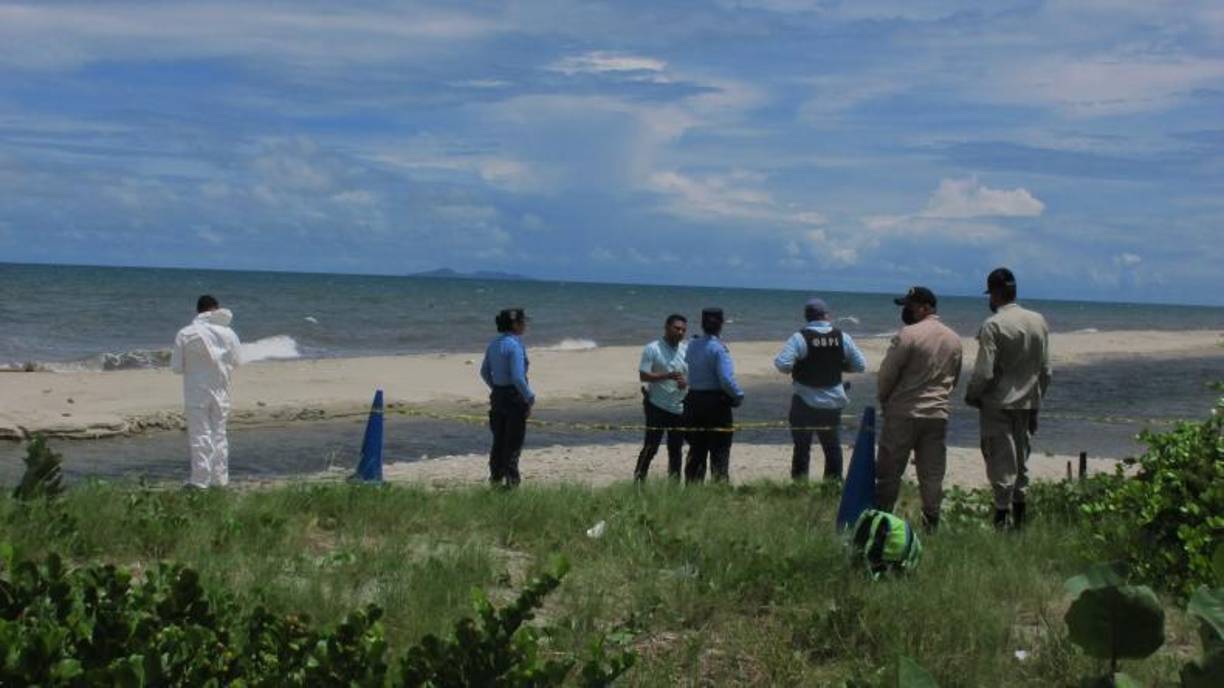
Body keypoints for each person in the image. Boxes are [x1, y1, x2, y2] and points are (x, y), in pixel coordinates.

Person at [965, 268, 1051, 529]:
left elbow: (984, 371)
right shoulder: (1038, 321)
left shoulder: (993, 325)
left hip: (999, 403)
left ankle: (1001, 521)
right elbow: (1046, 371)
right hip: (1027, 402)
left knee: (1001, 463)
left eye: (990, 294)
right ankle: (1020, 521)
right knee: (1021, 463)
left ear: (995, 293)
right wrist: (1037, 401)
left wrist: (972, 395)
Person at [874, 287, 963, 531]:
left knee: (889, 471)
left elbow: (887, 374)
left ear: (925, 308)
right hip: (937, 413)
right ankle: (931, 523)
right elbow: (954, 379)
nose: (906, 311)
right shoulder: (954, 339)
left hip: (904, 411)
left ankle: (882, 521)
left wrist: (883, 399)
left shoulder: (908, 334)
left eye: (910, 306)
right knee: (932, 474)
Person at [773, 297, 866, 481]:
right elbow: (860, 366)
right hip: (833, 402)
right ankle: (832, 486)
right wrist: (840, 366)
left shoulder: (800, 337)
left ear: (807, 317)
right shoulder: (842, 337)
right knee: (832, 447)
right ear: (827, 316)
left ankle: (799, 487)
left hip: (804, 401)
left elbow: (783, 365)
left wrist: (801, 365)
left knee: (802, 448)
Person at [171, 294, 242, 489]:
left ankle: (200, 481)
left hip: (196, 390)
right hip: (221, 390)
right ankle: (220, 480)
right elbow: (236, 361)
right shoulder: (229, 333)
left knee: (200, 434)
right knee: (219, 433)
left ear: (197, 310)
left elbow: (176, 367)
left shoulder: (186, 333)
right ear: (216, 309)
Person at [683, 308, 744, 483]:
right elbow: (725, 379)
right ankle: (719, 489)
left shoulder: (692, 344)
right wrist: (738, 396)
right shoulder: (719, 349)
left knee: (696, 449)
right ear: (721, 324)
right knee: (720, 451)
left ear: (702, 324)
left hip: (693, 401)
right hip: (715, 404)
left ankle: (692, 490)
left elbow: (688, 366)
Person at [480, 307, 535, 487]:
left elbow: (484, 372)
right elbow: (518, 377)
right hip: (513, 397)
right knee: (513, 444)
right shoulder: (515, 345)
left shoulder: (493, 344)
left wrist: (496, 388)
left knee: (498, 441)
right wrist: (529, 396)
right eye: (522, 322)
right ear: (515, 324)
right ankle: (511, 485)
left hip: (497, 395)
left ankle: (495, 479)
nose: (524, 325)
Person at [633, 314, 689, 481]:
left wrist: (684, 383)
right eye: (677, 328)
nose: (680, 332)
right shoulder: (653, 348)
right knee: (651, 448)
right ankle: (638, 483)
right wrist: (667, 376)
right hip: (656, 406)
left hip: (679, 407)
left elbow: (687, 377)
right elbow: (643, 376)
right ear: (666, 327)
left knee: (676, 450)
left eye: (683, 330)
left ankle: (674, 487)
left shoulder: (685, 349)